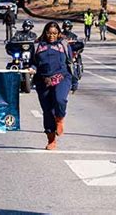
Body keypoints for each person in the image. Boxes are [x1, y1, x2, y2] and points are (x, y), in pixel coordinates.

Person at [29, 21, 77, 150]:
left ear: (59, 34)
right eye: (49, 33)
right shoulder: (37, 45)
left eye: (55, 33)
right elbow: (33, 62)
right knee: (47, 111)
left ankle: (60, 118)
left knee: (60, 99)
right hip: (43, 81)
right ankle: (51, 140)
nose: (52, 36)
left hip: (62, 77)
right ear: (45, 32)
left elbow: (71, 63)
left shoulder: (64, 45)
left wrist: (74, 81)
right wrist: (32, 69)